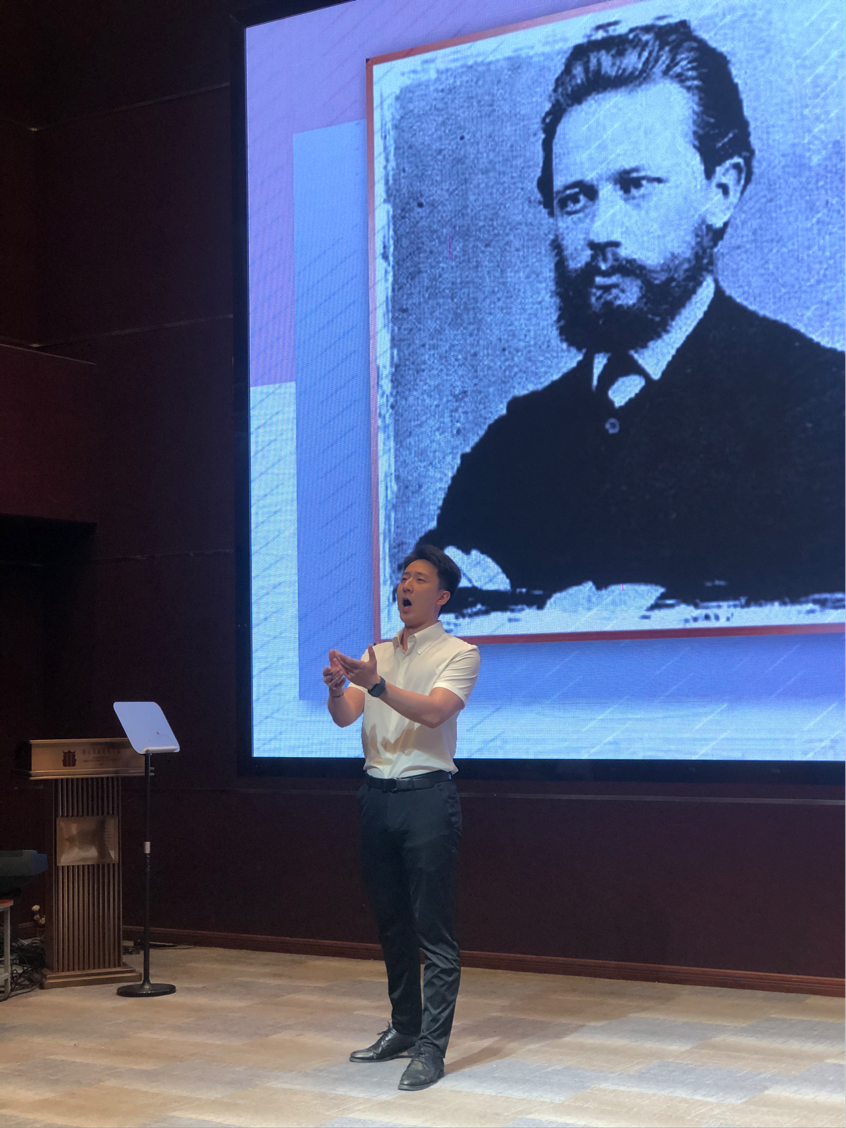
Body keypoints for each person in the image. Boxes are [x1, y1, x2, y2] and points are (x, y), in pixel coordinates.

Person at [424, 19, 845, 613]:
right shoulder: (509, 451)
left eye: (636, 185)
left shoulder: (822, 410)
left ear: (721, 190)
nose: (601, 230)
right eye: (576, 199)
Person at [323, 545, 480, 1091]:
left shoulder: (460, 653)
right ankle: (404, 1028)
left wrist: (376, 684)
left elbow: (435, 711)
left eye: (419, 579)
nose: (405, 586)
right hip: (376, 796)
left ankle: (431, 1050)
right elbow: (346, 717)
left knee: (432, 927)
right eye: (403, 577)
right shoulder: (378, 654)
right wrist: (338, 689)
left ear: (442, 596)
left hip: (427, 798)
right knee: (391, 922)